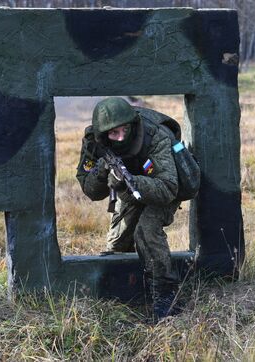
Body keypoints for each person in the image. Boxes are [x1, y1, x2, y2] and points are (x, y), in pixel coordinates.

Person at [76, 97, 181, 320]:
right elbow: (91, 190)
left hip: (163, 188)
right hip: (128, 190)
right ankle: (127, 295)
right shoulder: (94, 142)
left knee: (146, 231)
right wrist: (103, 170)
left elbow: (169, 188)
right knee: (117, 244)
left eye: (125, 130)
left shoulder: (155, 137)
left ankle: (166, 296)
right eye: (114, 133)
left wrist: (133, 181)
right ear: (103, 134)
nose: (121, 137)